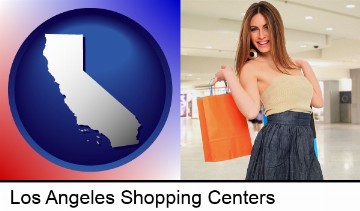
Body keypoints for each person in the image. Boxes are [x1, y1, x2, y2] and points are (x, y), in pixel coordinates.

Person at [211, 1, 323, 180]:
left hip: (304, 141)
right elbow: (251, 110)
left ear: (277, 28)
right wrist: (229, 75)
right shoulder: (251, 67)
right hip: (276, 143)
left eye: (267, 27)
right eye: (254, 29)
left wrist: (306, 65)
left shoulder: (296, 65)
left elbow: (318, 101)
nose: (261, 35)